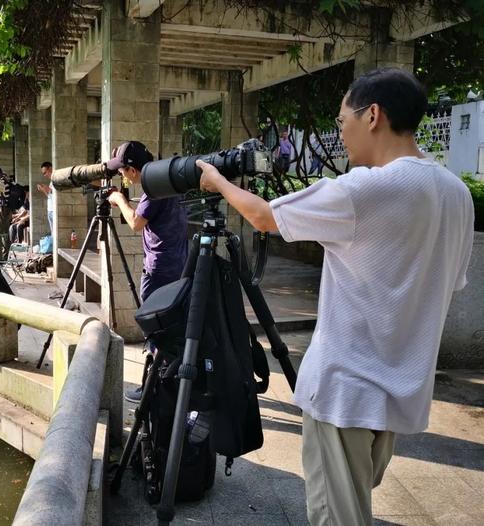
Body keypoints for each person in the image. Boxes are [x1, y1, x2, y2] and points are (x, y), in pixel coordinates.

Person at [196, 68, 474, 525]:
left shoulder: (364, 189)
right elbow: (450, 282)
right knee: (352, 506)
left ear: (373, 116)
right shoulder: (456, 194)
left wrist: (218, 183)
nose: (341, 133)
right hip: (397, 392)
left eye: (343, 121)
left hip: (345, 390)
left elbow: (265, 218)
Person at [106, 141, 188, 402]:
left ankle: (155, 386)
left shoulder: (152, 190)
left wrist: (118, 199)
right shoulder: (165, 180)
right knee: (172, 324)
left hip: (159, 269)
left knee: (153, 325)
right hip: (178, 263)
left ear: (131, 170)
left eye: (121, 171)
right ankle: (174, 380)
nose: (121, 176)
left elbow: (136, 223)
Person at [36, 161, 54, 236]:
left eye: (45, 173)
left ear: (50, 169)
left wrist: (45, 189)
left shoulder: (55, 180)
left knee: (55, 232)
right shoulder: (51, 181)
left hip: (53, 210)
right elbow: (50, 196)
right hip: (50, 210)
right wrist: (44, 190)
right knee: (53, 232)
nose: (44, 175)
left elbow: (56, 195)